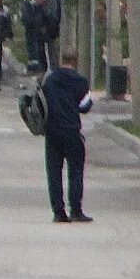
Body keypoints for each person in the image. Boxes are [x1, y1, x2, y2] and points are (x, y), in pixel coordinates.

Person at [41, 48, 93, 223]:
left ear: (62, 60)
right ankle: (76, 210)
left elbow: (41, 103)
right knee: (75, 170)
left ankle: (58, 211)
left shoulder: (50, 80)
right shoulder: (80, 82)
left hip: (52, 130)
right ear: (75, 61)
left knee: (54, 171)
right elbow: (85, 106)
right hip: (71, 129)